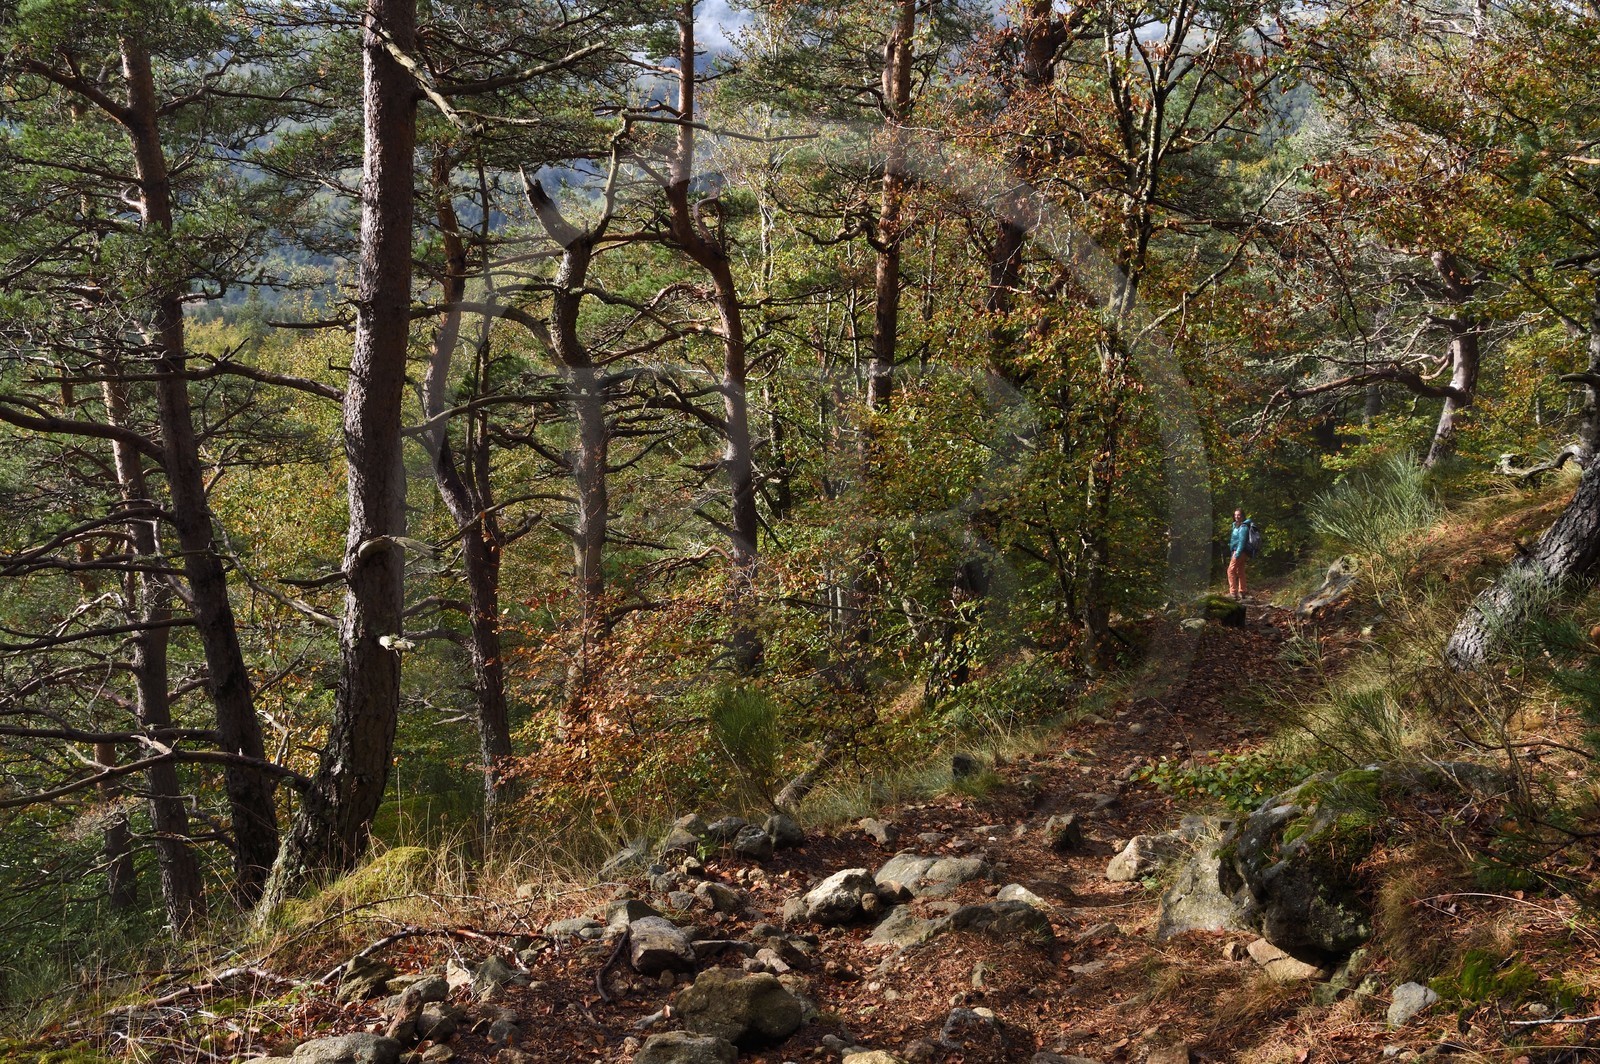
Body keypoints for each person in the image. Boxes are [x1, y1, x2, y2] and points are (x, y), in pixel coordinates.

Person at [1228, 509, 1253, 598]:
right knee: (1240, 571)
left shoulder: (1243, 527)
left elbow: (1242, 542)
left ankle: (1233, 593)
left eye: (1238, 515)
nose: (1236, 517)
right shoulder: (1236, 526)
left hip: (1239, 551)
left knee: (1230, 571)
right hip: (1239, 551)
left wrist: (1237, 553)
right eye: (1235, 515)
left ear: (1242, 516)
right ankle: (1242, 591)